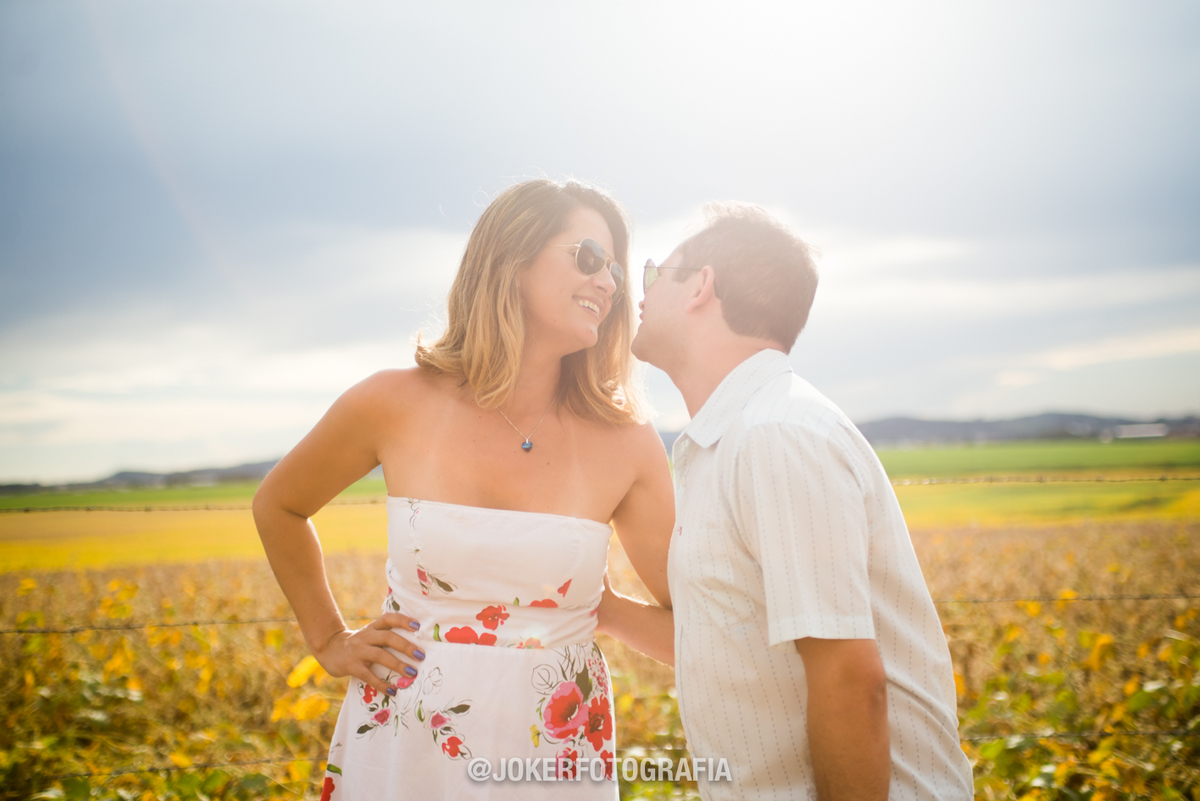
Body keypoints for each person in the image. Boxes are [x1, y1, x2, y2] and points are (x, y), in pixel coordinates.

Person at [252, 178, 675, 799]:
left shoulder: (627, 441)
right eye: (588, 256)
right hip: (406, 746)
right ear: (511, 257)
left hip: (551, 762)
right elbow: (279, 505)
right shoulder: (391, 402)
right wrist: (329, 639)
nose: (609, 281)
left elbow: (695, 630)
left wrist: (602, 607)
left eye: (614, 267)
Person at [604, 204, 973, 800]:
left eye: (654, 273)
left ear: (702, 285)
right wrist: (607, 610)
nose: (636, 291)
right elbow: (729, 644)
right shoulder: (728, 441)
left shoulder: (776, 435)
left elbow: (849, 679)